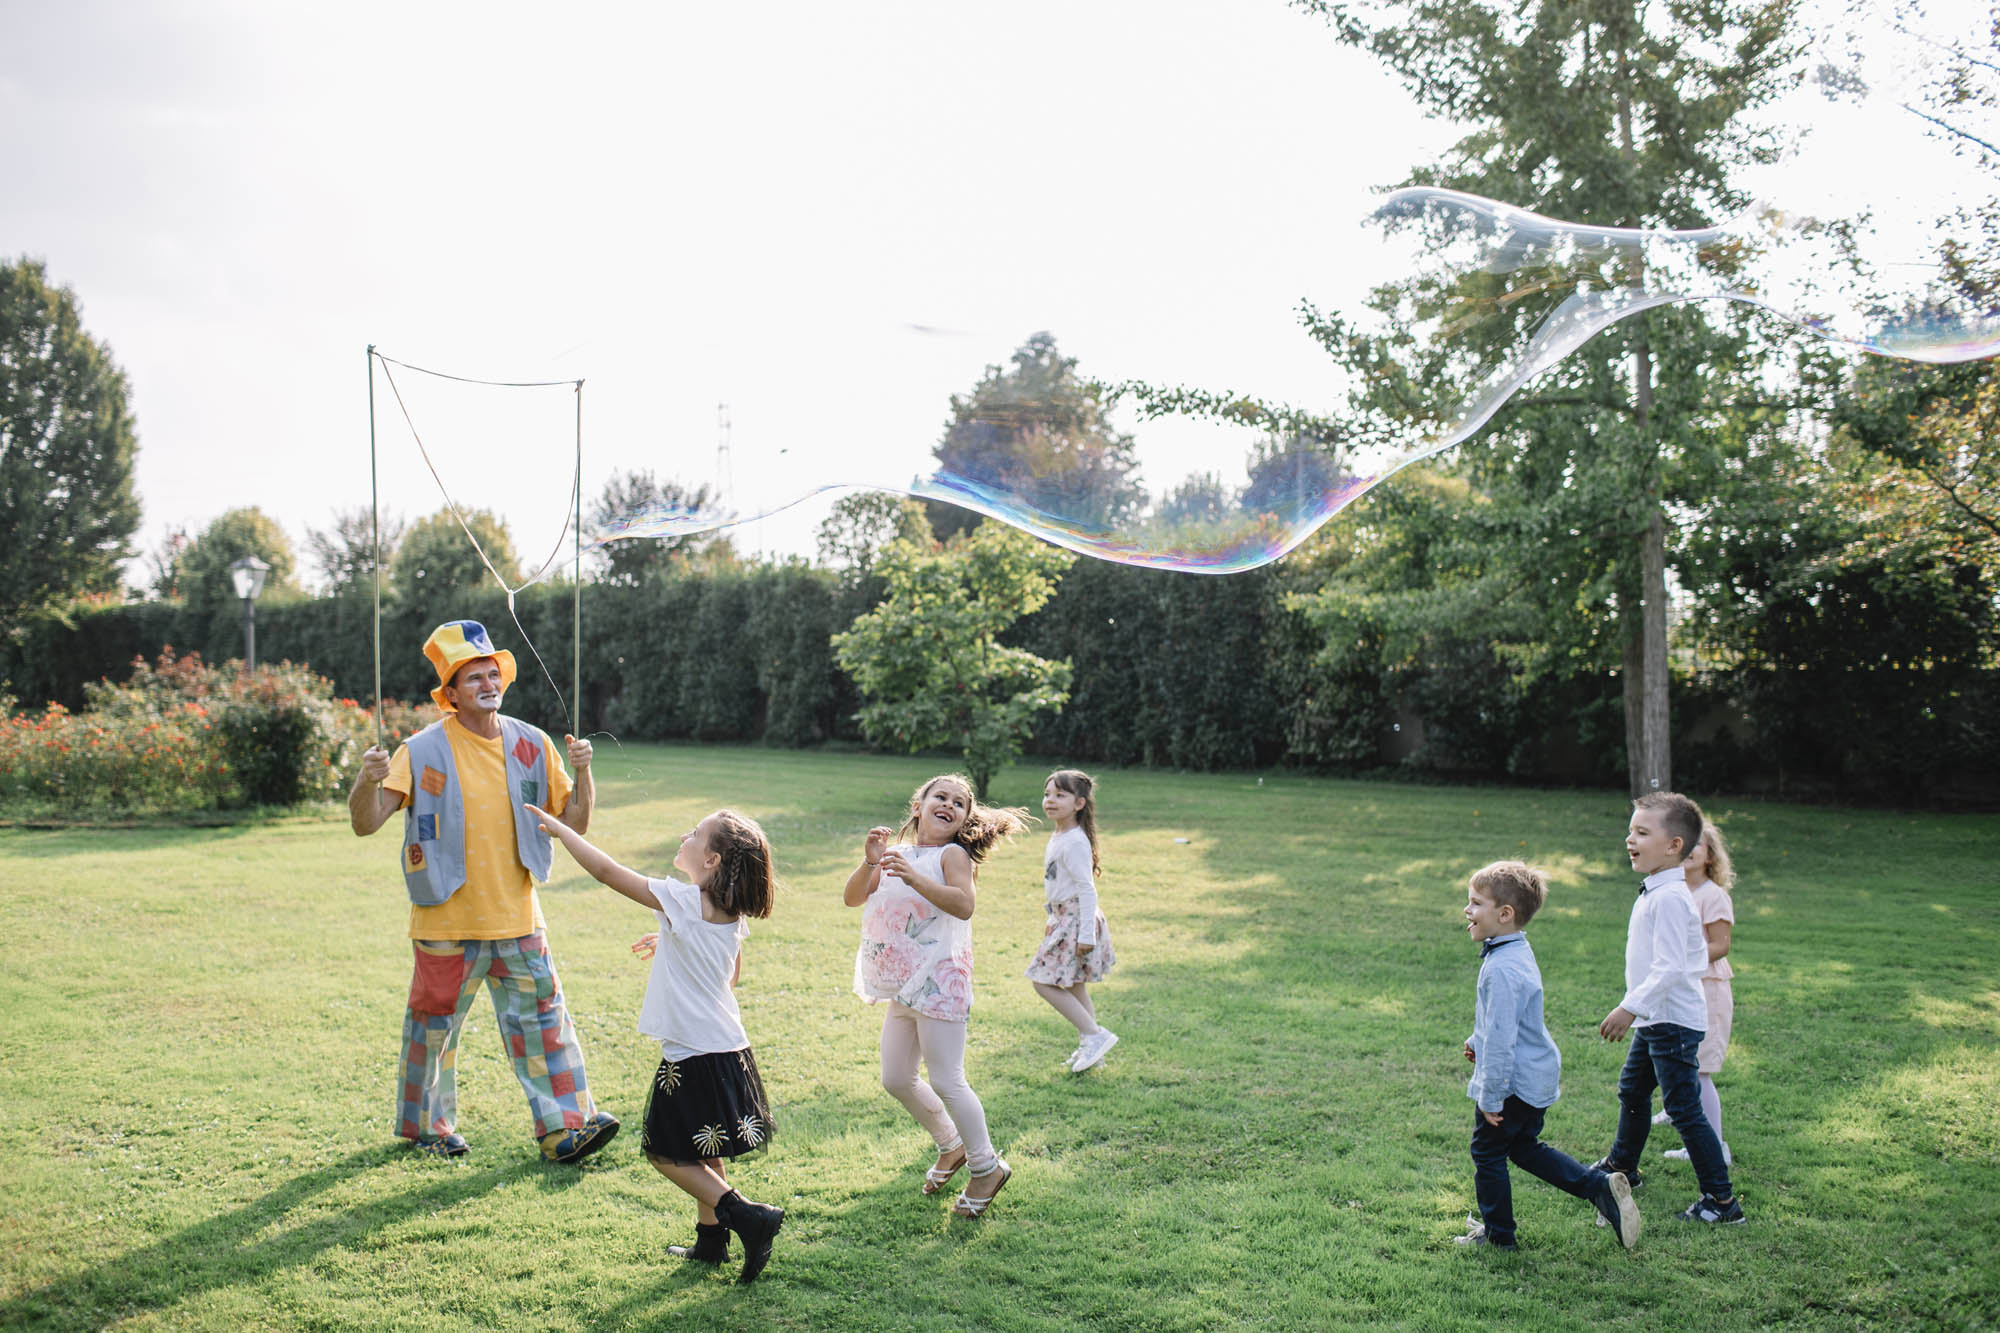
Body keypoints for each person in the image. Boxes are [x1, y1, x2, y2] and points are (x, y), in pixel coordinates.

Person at [347, 620, 618, 1164]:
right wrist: (365, 779)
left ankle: (563, 1130)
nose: (488, 683)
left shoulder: (534, 745)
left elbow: (577, 824)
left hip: (519, 919)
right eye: (473, 677)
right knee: (434, 1031)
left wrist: (585, 772)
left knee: (545, 1024)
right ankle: (428, 1129)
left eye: (493, 674)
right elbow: (367, 822)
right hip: (445, 922)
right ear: (449, 694)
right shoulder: (420, 751)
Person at [525, 803, 787, 1284]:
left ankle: (749, 1216)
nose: (686, 835)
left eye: (696, 833)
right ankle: (711, 1243)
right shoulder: (726, 911)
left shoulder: (683, 902)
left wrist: (563, 832)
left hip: (693, 1054)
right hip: (729, 1050)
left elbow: (607, 872)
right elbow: (730, 973)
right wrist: (672, 940)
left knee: (666, 1153)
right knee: (706, 1148)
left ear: (711, 860)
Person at [845, 774, 1027, 1218]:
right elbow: (852, 898)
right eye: (939, 797)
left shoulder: (953, 855)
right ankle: (951, 1145)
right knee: (895, 1078)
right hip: (902, 986)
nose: (948, 804)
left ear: (964, 819)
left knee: (947, 1078)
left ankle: (986, 1167)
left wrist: (912, 878)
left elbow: (963, 905)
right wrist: (871, 863)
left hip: (941, 981)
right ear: (918, 806)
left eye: (959, 803)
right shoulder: (897, 854)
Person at [1455, 861, 1642, 1251]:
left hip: (1512, 1082)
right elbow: (1505, 1021)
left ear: (1504, 915)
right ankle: (1598, 1188)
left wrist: (1490, 1098)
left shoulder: (1501, 968)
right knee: (1523, 1148)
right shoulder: (1515, 949)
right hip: (1533, 1074)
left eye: (1475, 904)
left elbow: (1504, 1040)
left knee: (1487, 1152)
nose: (1467, 911)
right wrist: (1478, 1039)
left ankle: (1499, 1237)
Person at [1591, 791, 1744, 1225]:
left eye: (1642, 832)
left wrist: (1629, 1008)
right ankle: (1623, 1168)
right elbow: (1690, 956)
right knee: (1634, 1090)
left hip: (1672, 1021)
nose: (1629, 839)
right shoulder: (1660, 891)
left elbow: (1672, 966)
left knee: (1683, 1109)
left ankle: (1721, 1201)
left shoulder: (1672, 898)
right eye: (1630, 830)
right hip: (1658, 1018)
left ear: (1674, 845)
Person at [1026, 769, 1118, 1072]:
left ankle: (1095, 1035)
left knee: (1043, 982)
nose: (1050, 800)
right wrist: (1052, 917)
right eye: (1048, 794)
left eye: (1060, 795)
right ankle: (1093, 1050)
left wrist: (1086, 934)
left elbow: (1086, 889)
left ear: (1079, 803)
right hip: (1063, 918)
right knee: (1076, 986)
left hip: (1077, 920)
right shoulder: (1060, 835)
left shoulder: (1075, 841)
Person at [1658, 822, 1736, 1167]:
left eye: (1698, 845)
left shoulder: (1712, 895)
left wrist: (1683, 961)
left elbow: (1721, 945)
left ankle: (1714, 1147)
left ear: (1710, 855)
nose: (1690, 850)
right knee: (1678, 1060)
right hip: (1681, 988)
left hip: (1707, 989)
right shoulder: (1674, 890)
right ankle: (1675, 1113)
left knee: (1699, 1069)